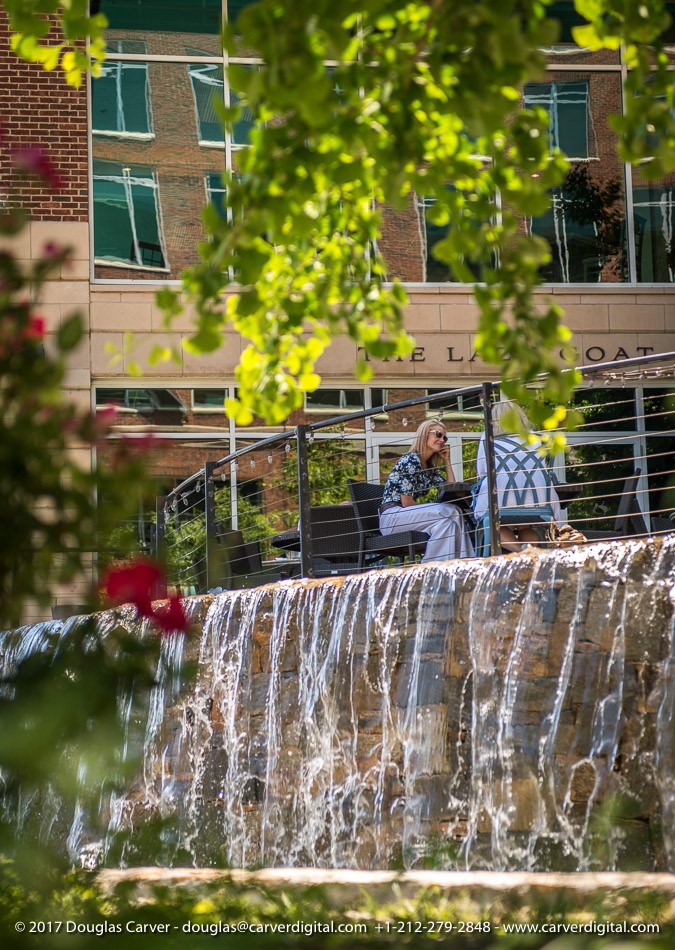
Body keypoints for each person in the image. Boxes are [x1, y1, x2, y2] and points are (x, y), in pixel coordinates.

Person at [473, 400, 562, 553]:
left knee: (494, 524)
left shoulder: (488, 437)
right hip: (537, 497)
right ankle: (529, 554)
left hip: (498, 497)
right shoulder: (534, 437)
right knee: (525, 525)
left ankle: (521, 552)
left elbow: (482, 472)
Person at [379, 419, 474, 561]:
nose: (442, 440)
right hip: (393, 517)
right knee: (452, 510)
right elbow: (407, 503)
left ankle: (433, 572)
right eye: (438, 435)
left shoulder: (429, 468)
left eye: (444, 437)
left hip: (405, 515)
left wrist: (447, 461)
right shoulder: (411, 460)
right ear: (424, 435)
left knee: (448, 525)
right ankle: (467, 562)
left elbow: (450, 488)